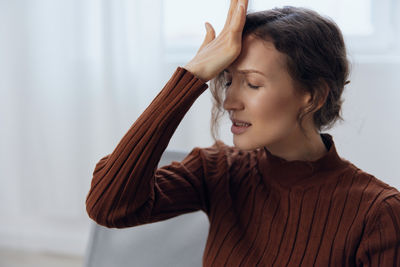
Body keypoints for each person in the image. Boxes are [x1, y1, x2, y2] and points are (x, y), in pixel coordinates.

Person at [85, 0, 400, 266]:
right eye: (228, 81)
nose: (230, 101)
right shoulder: (220, 170)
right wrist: (191, 77)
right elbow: (108, 205)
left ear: (313, 95)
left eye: (252, 84)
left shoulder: (379, 214)